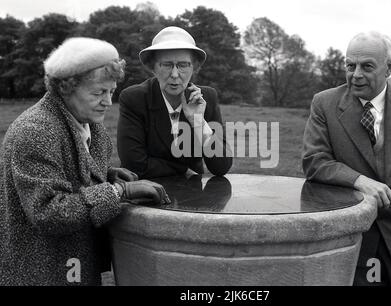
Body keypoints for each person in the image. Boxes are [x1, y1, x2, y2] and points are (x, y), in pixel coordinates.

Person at [0, 37, 170, 286]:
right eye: (99, 92)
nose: (108, 102)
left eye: (111, 92)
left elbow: (68, 169)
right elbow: (50, 212)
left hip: (75, 263)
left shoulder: (88, 122)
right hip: (43, 270)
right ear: (66, 87)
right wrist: (117, 191)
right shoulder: (36, 130)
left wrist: (106, 174)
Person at [302, 31, 391, 286]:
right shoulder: (324, 103)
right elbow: (315, 160)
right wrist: (360, 181)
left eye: (367, 66)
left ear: (389, 67)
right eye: (350, 65)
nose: (356, 74)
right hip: (353, 239)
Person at [117, 26, 232, 179]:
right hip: (147, 193)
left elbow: (221, 166)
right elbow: (134, 164)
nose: (175, 74)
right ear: (153, 68)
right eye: (166, 65)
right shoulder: (134, 98)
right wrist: (183, 170)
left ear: (194, 67)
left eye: (183, 65)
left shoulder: (206, 98)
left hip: (193, 194)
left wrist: (197, 121)